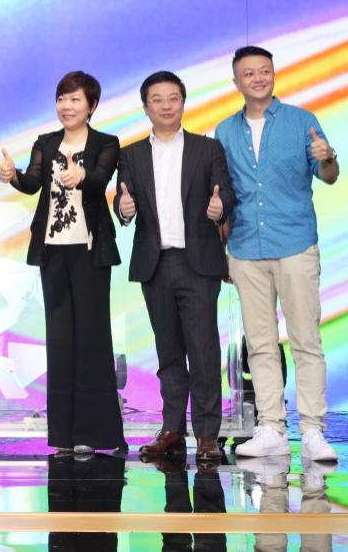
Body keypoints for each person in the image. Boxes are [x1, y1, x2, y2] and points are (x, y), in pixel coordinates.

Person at [215, 45, 339, 461]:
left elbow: (329, 175)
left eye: (264, 70)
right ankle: (271, 428)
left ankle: (313, 430)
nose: (258, 78)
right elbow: (223, 194)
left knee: (306, 340)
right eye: (249, 73)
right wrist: (222, 248)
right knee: (260, 345)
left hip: (295, 244)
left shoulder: (302, 122)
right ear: (237, 81)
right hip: (245, 247)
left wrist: (328, 158)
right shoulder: (224, 131)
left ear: (273, 74)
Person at [0, 70, 125, 454]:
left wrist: (81, 174)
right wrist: (13, 176)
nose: (66, 106)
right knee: (60, 340)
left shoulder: (106, 143)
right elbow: (33, 183)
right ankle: (64, 437)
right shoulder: (47, 142)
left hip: (89, 250)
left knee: (92, 338)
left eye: (75, 99)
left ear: (92, 105)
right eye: (61, 99)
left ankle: (95, 434)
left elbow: (99, 179)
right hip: (52, 250)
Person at [113, 71, 234, 463]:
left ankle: (207, 434)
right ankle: (172, 430)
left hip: (197, 262)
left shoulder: (207, 149)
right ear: (145, 106)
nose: (166, 106)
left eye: (173, 98)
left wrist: (220, 208)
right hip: (155, 263)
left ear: (183, 102)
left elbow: (226, 193)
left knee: (203, 351)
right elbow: (123, 200)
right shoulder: (130, 154)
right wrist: (123, 209)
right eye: (157, 99)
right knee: (168, 353)